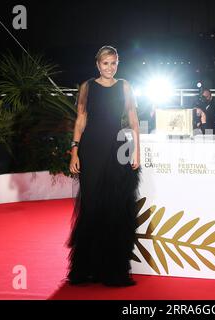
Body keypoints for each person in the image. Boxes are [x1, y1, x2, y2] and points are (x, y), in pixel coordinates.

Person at [67, 46, 140, 286]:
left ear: (118, 64)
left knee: (116, 207)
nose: (110, 68)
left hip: (118, 146)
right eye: (105, 63)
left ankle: (112, 268)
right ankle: (87, 268)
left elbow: (133, 119)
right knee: (91, 206)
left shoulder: (125, 86)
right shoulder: (87, 86)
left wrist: (137, 150)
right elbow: (81, 118)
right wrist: (74, 150)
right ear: (97, 64)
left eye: (113, 63)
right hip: (91, 148)